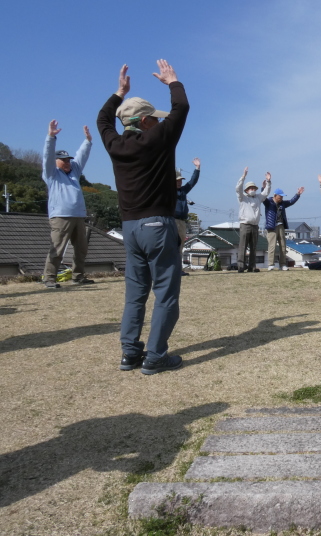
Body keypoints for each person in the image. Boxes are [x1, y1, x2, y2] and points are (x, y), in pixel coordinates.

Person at [97, 60, 189, 375]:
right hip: (157, 226)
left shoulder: (115, 144)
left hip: (129, 228)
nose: (159, 121)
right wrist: (173, 81)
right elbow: (181, 108)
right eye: (155, 118)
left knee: (135, 295)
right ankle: (156, 356)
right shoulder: (157, 139)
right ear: (146, 121)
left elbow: (103, 119)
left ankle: (130, 353)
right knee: (165, 294)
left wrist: (118, 93)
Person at [41, 120, 94, 288]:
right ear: (56, 161)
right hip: (60, 216)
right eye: (63, 160)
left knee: (81, 249)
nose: (67, 162)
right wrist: (51, 137)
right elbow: (47, 157)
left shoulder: (74, 172)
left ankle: (78, 277)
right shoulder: (51, 174)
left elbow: (81, 156)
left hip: (78, 215)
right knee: (57, 248)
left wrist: (88, 141)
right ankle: (49, 278)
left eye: (68, 160)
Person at [235, 168, 271, 272]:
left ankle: (252, 266)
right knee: (243, 246)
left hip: (255, 225)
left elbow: (266, 192)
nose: (253, 189)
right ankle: (241, 266)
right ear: (246, 190)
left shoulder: (258, 198)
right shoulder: (242, 197)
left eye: (254, 188)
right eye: (250, 188)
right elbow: (238, 188)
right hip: (245, 224)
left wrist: (268, 181)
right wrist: (243, 177)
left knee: (254, 247)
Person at [264, 185, 304, 270]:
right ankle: (271, 264)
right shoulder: (269, 202)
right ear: (275, 195)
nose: (281, 198)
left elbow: (291, 201)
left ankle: (282, 264)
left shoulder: (282, 203)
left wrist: (298, 194)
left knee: (283, 245)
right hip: (271, 227)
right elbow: (263, 197)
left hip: (281, 226)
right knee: (272, 246)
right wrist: (263, 188)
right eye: (280, 196)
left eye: (282, 197)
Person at [175, 157, 201, 275]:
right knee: (170, 246)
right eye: (177, 180)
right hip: (172, 221)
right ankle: (169, 271)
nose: (180, 182)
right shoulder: (168, 191)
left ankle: (178, 270)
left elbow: (192, 182)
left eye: (181, 180)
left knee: (180, 246)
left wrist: (197, 168)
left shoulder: (183, 191)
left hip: (182, 222)